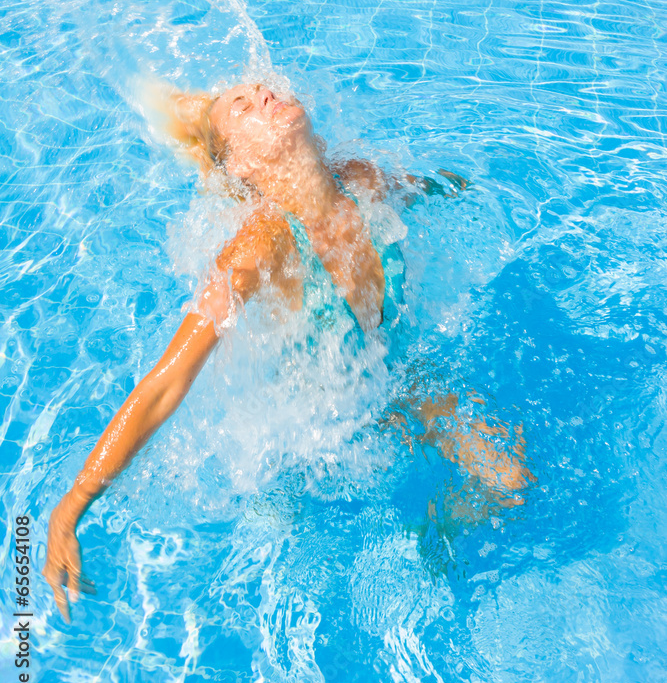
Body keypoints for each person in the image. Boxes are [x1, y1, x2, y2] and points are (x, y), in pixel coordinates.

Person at [43, 82, 533, 621]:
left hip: (397, 375)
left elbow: (420, 188)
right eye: (241, 108)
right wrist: (72, 506)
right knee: (279, 542)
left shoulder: (362, 180)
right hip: (317, 422)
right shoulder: (262, 245)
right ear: (243, 165)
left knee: (507, 481)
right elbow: (166, 381)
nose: (259, 93)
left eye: (260, 90)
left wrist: (464, 185)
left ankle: (433, 535)